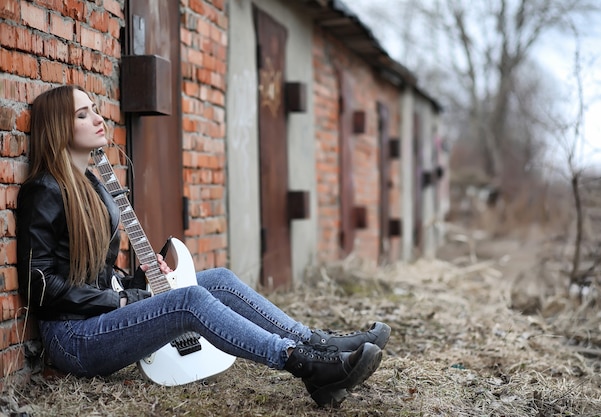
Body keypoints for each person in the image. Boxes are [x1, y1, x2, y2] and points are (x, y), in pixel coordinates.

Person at [16, 85, 391, 408]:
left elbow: (97, 275)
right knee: (189, 301)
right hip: (73, 338)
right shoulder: (44, 192)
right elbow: (42, 285)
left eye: (95, 110)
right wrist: (125, 302)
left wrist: (136, 284)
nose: (98, 118)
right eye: (83, 114)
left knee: (219, 280)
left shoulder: (94, 188)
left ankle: (318, 343)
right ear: (61, 127)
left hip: (102, 318)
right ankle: (302, 363)